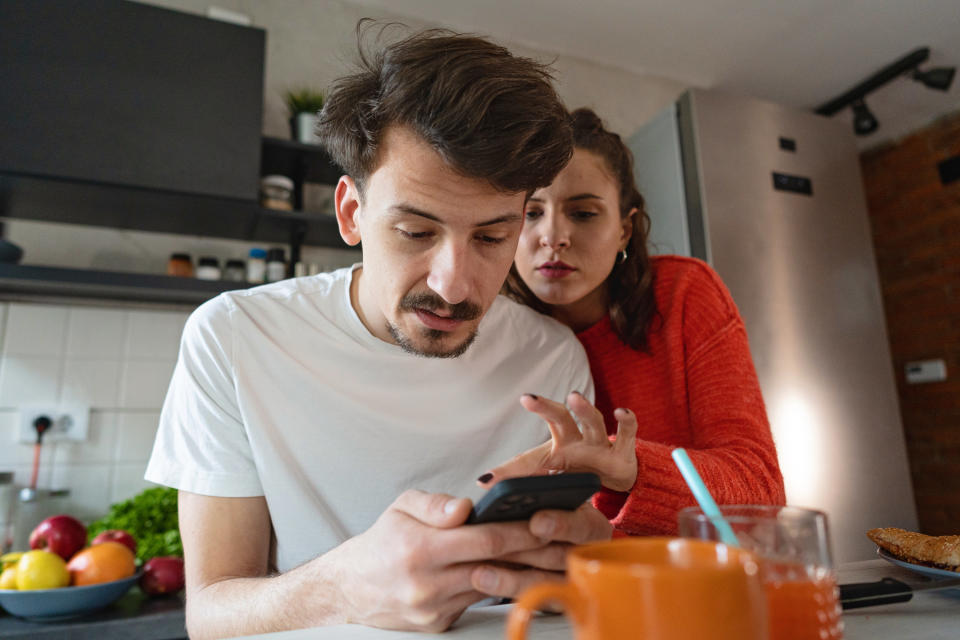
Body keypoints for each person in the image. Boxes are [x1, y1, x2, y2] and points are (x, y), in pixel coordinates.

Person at [144, 27, 612, 638]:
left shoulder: (553, 359)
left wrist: (584, 561)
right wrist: (344, 587)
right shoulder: (234, 336)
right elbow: (209, 616)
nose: (452, 286)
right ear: (351, 213)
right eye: (416, 233)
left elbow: (560, 580)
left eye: (492, 238)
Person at [484, 107, 786, 535]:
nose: (553, 236)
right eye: (531, 213)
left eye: (583, 213)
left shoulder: (683, 295)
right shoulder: (488, 331)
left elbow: (761, 493)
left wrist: (632, 470)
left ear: (625, 229)